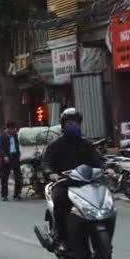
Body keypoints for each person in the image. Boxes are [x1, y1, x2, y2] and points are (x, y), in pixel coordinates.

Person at [42, 108, 102, 251]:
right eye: (70, 123)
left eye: (75, 122)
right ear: (63, 125)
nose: (73, 125)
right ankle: (61, 237)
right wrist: (51, 173)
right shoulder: (55, 146)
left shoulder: (86, 144)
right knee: (60, 202)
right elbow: (46, 163)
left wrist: (107, 169)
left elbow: (97, 161)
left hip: (86, 183)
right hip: (64, 183)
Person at [0, 121, 22, 201]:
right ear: (8, 128)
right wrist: (5, 156)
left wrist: (18, 155)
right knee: (4, 178)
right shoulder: (2, 137)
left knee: (18, 177)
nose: (15, 130)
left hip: (15, 158)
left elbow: (17, 146)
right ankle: (4, 195)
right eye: (13, 129)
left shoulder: (15, 136)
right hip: (6, 159)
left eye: (15, 128)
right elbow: (1, 148)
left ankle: (17, 194)